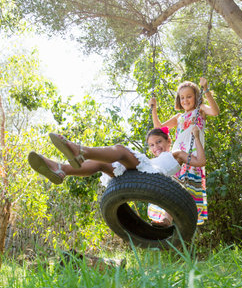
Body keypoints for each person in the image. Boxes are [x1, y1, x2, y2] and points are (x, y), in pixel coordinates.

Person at [28, 126, 206, 187]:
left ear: (169, 141)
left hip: (152, 176)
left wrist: (196, 137)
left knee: (120, 150)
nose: (156, 147)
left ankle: (80, 150)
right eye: (151, 145)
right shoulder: (151, 159)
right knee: (101, 164)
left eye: (159, 142)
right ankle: (61, 169)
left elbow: (201, 161)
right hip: (138, 175)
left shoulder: (177, 154)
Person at [149, 77, 219, 225]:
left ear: (196, 97)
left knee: (185, 188)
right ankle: (165, 220)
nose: (185, 100)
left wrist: (205, 89)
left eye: (189, 96)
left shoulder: (200, 110)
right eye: (182, 97)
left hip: (192, 155)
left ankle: (174, 224)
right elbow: (159, 129)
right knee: (171, 187)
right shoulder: (179, 117)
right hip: (176, 156)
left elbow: (215, 111)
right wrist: (154, 109)